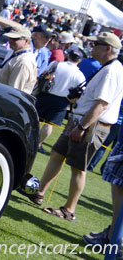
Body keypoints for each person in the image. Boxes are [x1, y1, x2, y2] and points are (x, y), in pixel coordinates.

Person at [24, 32, 123, 223]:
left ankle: (69, 210)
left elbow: (102, 104)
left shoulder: (112, 70)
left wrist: (83, 126)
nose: (92, 48)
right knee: (57, 153)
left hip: (90, 124)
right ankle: (39, 192)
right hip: (83, 121)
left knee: (78, 168)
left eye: (96, 45)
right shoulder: (110, 68)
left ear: (108, 48)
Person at [35, 48, 86, 153]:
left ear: (68, 56)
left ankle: (30, 141)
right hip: (62, 100)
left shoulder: (56, 64)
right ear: (79, 60)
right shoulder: (79, 74)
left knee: (35, 119)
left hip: (45, 94)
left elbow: (44, 74)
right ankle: (38, 144)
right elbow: (82, 92)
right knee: (49, 125)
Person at [0, 27, 38, 93]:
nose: (10, 41)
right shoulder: (19, 55)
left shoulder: (23, 62)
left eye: (15, 39)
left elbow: (13, 92)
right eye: (10, 38)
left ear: (27, 41)